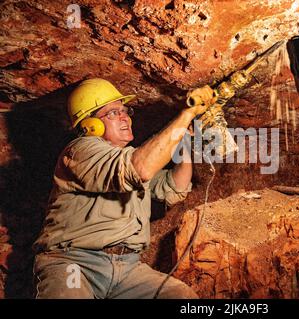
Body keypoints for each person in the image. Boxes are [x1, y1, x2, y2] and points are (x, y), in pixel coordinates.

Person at [32, 78, 216, 299]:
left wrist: (184, 142)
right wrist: (186, 114)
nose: (125, 118)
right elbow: (139, 169)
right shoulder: (80, 151)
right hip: (75, 263)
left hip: (128, 268)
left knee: (181, 297)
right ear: (91, 126)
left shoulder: (129, 160)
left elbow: (174, 188)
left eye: (124, 111)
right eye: (112, 113)